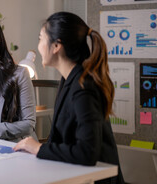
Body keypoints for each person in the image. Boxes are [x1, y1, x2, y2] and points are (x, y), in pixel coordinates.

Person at [13, 12, 124, 183]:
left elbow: (87, 153)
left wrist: (38, 148)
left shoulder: (83, 86)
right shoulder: (68, 80)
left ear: (56, 46)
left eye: (41, 39)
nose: (39, 46)